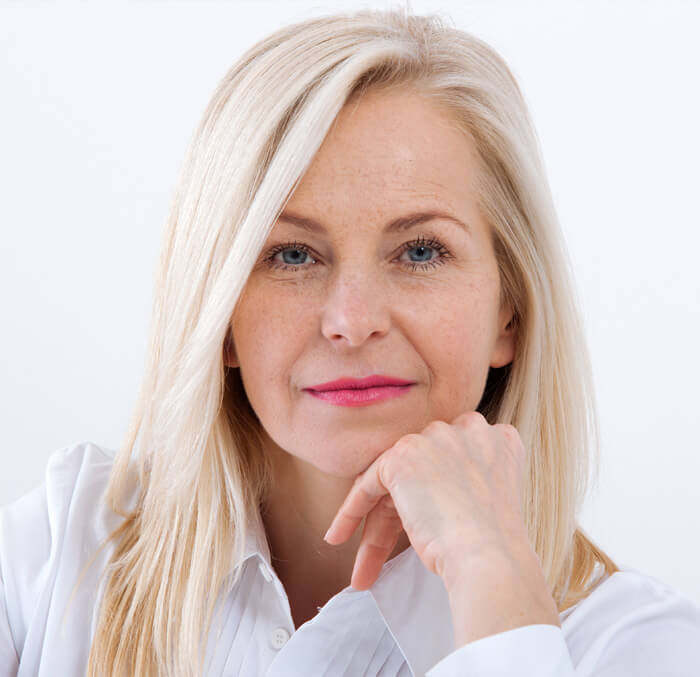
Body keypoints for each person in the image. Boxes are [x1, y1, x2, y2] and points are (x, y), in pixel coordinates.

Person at [1, 6, 699, 677]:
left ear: (509, 313)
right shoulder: (60, 553)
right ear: (218, 314)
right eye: (292, 255)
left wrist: (491, 575)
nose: (352, 319)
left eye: (421, 251)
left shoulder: (637, 646)